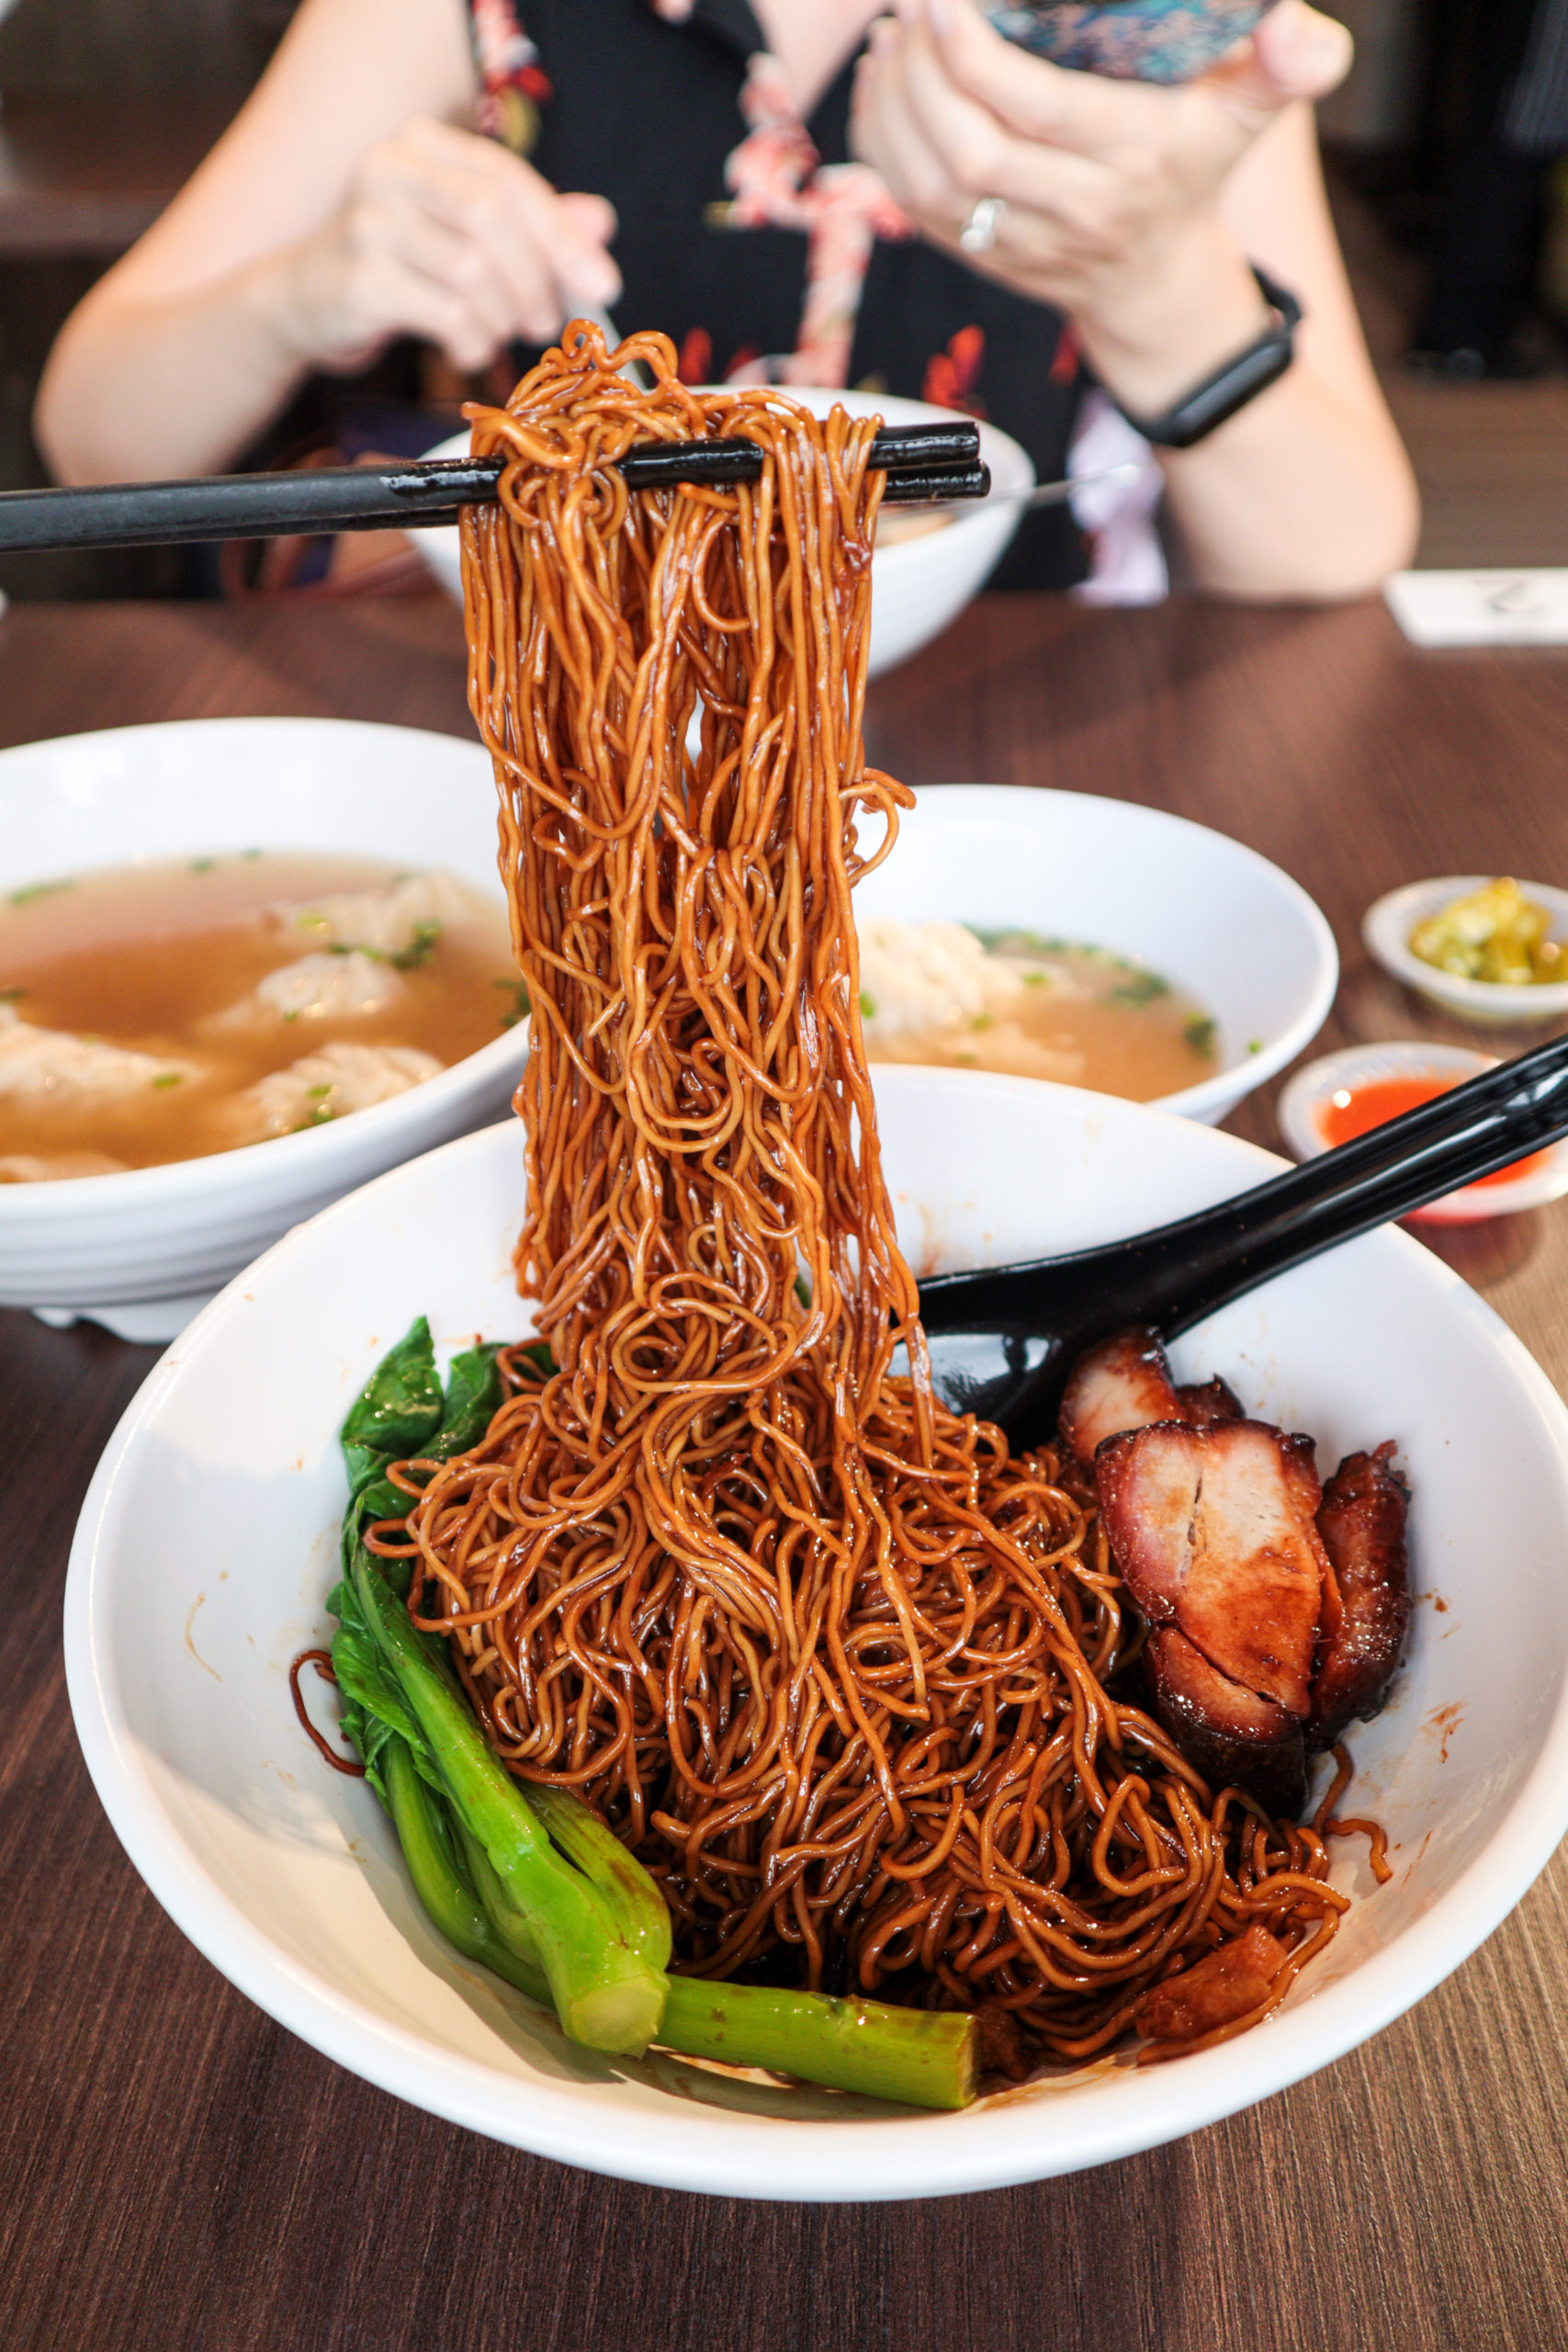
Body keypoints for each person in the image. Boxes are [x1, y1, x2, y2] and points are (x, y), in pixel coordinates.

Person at [35, 0, 1417, 600]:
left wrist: (1164, 289)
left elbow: (1334, 548)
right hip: (556, 742)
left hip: (998, 748)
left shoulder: (1153, 32)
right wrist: (300, 292)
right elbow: (97, 437)